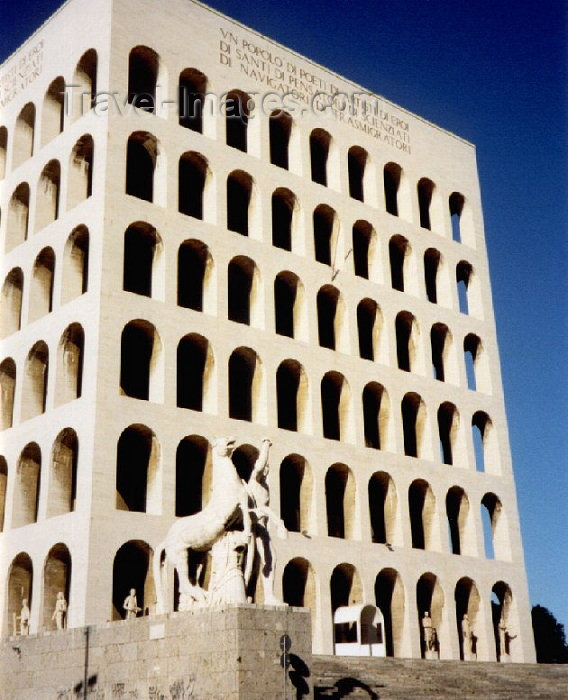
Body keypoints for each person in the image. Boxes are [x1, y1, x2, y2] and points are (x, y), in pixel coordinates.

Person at [244, 438, 287, 605]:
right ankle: (245, 593)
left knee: (271, 558)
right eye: (264, 468)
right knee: (250, 564)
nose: (266, 470)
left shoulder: (265, 487)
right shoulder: (254, 480)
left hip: (261, 527)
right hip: (250, 525)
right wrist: (266, 446)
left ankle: (269, 596)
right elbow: (260, 464)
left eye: (268, 469)